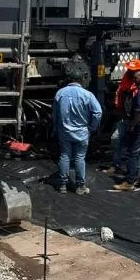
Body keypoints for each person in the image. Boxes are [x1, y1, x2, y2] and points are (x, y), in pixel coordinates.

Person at [53, 67, 103, 195]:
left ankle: (63, 185)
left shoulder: (60, 93)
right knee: (79, 158)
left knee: (64, 156)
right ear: (81, 79)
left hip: (64, 131)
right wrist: (92, 127)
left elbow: (55, 114)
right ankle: (80, 186)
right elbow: (98, 112)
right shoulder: (87, 94)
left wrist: (56, 127)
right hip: (81, 132)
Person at [110, 58, 140, 174]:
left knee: (135, 146)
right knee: (116, 139)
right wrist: (118, 106)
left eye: (132, 69)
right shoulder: (127, 77)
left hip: (136, 119)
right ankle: (116, 164)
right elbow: (120, 92)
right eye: (129, 69)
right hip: (125, 117)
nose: (130, 71)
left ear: (139, 71)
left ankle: (135, 171)